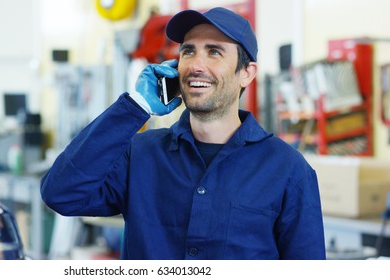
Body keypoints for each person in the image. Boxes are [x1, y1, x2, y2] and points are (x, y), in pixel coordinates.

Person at [41, 7, 326, 260]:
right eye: (188, 50)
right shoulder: (139, 155)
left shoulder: (288, 170)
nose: (195, 65)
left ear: (247, 73)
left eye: (214, 51)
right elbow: (61, 193)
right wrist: (135, 107)